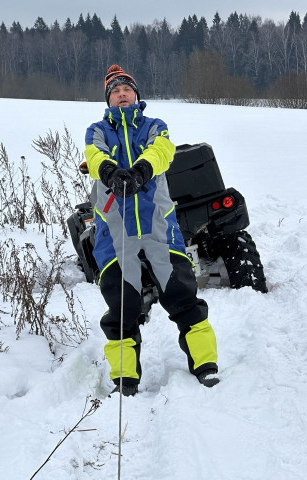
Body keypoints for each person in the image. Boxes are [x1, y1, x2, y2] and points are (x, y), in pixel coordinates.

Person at [84, 64, 219, 396]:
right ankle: (125, 379)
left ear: (136, 94)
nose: (121, 94)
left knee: (183, 295)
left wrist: (143, 169)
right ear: (108, 99)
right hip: (116, 233)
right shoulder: (97, 129)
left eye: (126, 89)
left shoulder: (154, 126)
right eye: (114, 91)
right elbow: (94, 154)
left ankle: (206, 365)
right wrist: (111, 172)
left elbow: (163, 150)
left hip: (159, 226)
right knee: (121, 306)